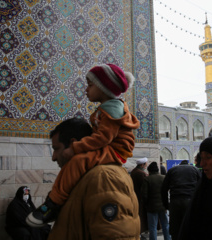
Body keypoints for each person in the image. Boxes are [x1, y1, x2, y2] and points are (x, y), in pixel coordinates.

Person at [27, 64, 140, 226]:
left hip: (115, 151)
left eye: (90, 85)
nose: (86, 90)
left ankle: (53, 205)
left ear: (104, 88)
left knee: (78, 162)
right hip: (110, 148)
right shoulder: (107, 109)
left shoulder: (112, 111)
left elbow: (102, 138)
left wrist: (76, 148)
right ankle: (54, 201)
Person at [39, 118, 140, 239]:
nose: (54, 157)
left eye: (56, 149)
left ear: (73, 144)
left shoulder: (103, 177)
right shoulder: (83, 178)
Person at [161, 159, 201, 240]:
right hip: (190, 202)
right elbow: (202, 187)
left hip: (175, 202)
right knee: (190, 228)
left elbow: (163, 189)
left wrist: (166, 205)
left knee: (176, 229)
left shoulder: (172, 170)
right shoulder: (195, 170)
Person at [141, 161, 171, 240]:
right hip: (163, 206)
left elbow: (144, 195)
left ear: (149, 171)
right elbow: (167, 191)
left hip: (151, 207)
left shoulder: (147, 179)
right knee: (166, 225)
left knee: (152, 227)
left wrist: (146, 204)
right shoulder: (163, 178)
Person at [131, 157, 149, 239]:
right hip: (140, 198)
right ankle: (139, 234)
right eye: (146, 164)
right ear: (142, 164)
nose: (146, 165)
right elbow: (145, 186)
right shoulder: (140, 173)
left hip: (136, 197)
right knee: (140, 217)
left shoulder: (134, 171)